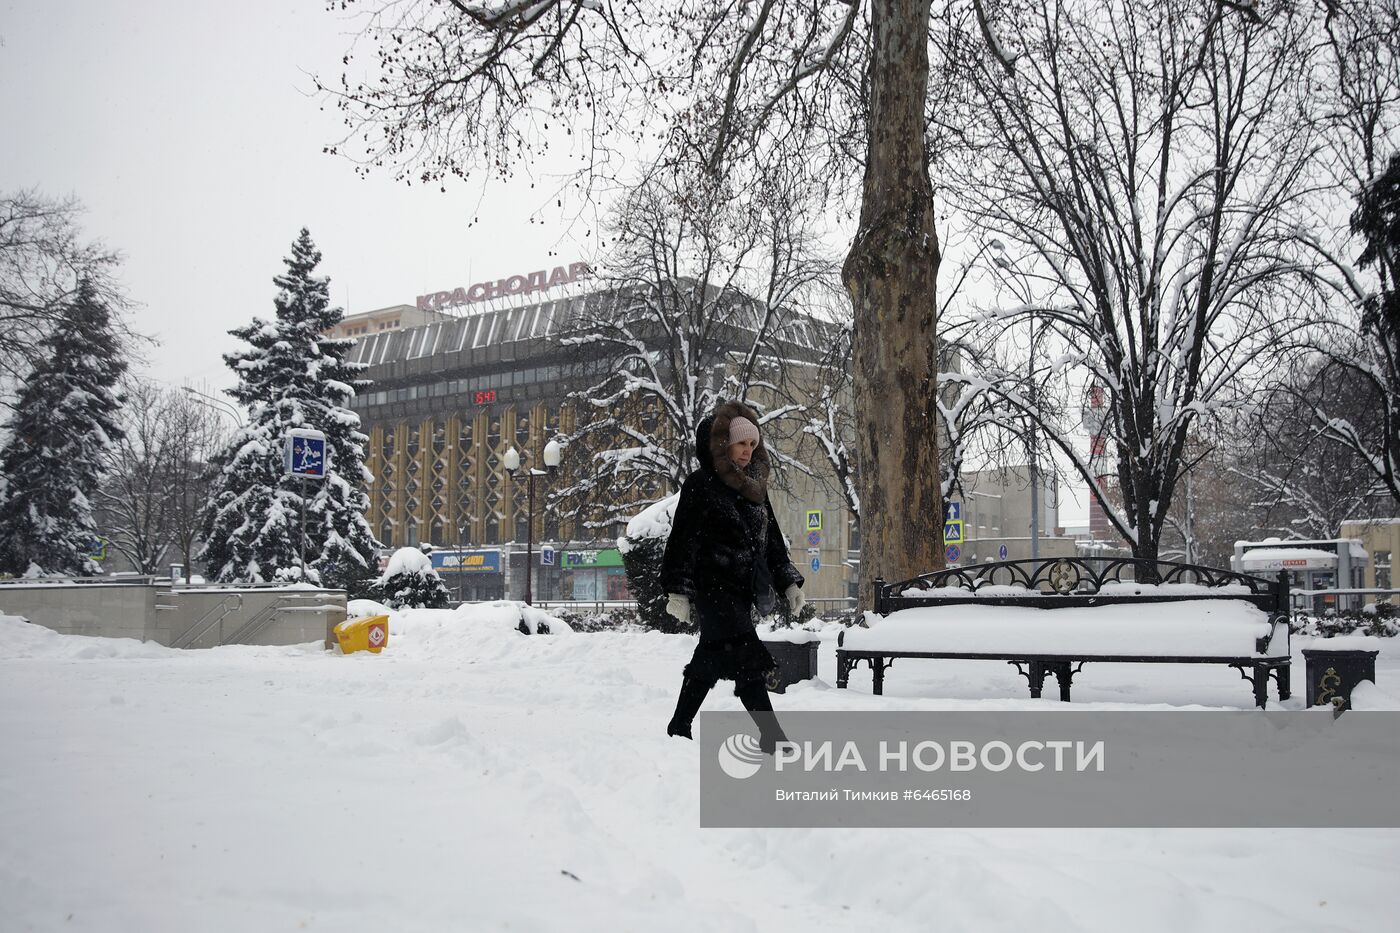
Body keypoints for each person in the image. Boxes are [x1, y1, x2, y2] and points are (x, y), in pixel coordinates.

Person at [660, 399, 805, 753]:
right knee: (746, 655)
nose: (747, 451)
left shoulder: (754, 488)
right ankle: (772, 736)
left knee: (712, 657)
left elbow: (771, 539)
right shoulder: (701, 484)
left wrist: (787, 581)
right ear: (723, 443)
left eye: (753, 444)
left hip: (740, 591)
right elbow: (683, 538)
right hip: (712, 588)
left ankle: (679, 725)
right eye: (742, 443)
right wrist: (678, 590)